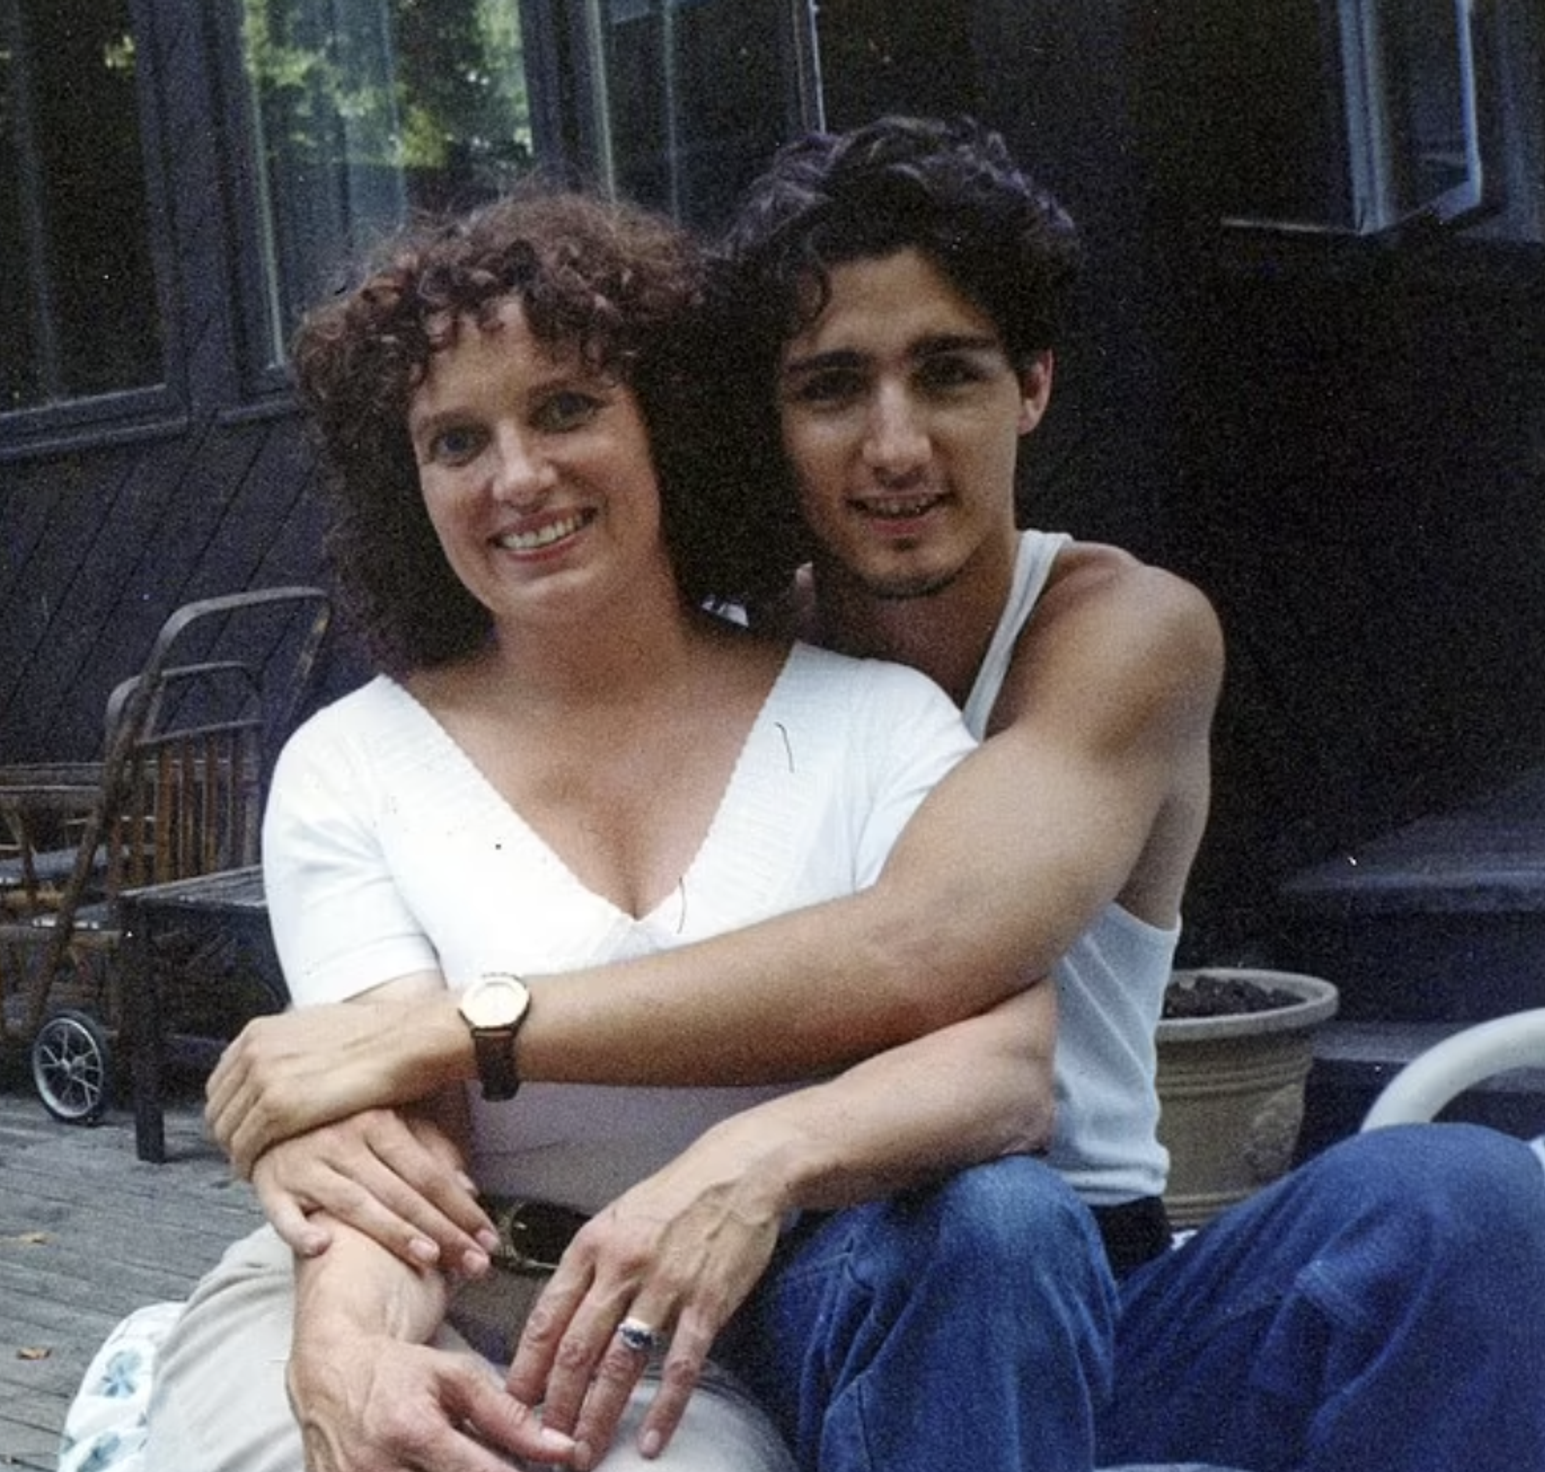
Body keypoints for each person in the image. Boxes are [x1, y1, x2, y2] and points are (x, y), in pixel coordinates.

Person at [203, 116, 1545, 1472]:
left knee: (1461, 1196)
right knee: (980, 1230)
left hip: (1072, 1259)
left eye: (948, 374)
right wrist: (309, 1137)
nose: (894, 447)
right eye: (833, 387)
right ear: (766, 421)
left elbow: (928, 948)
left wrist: (463, 1034)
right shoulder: (739, 666)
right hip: (838, 1275)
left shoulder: (1116, 632)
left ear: (1031, 385)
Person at [115, 188, 1068, 1472]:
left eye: (566, 408)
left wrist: (749, 1160)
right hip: (405, 1284)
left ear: (666, 421)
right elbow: (398, 1134)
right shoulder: (351, 763)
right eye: (456, 440)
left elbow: (1004, 1067)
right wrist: (346, 1357)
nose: (518, 477)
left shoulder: (872, 725)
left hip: (670, 1338)